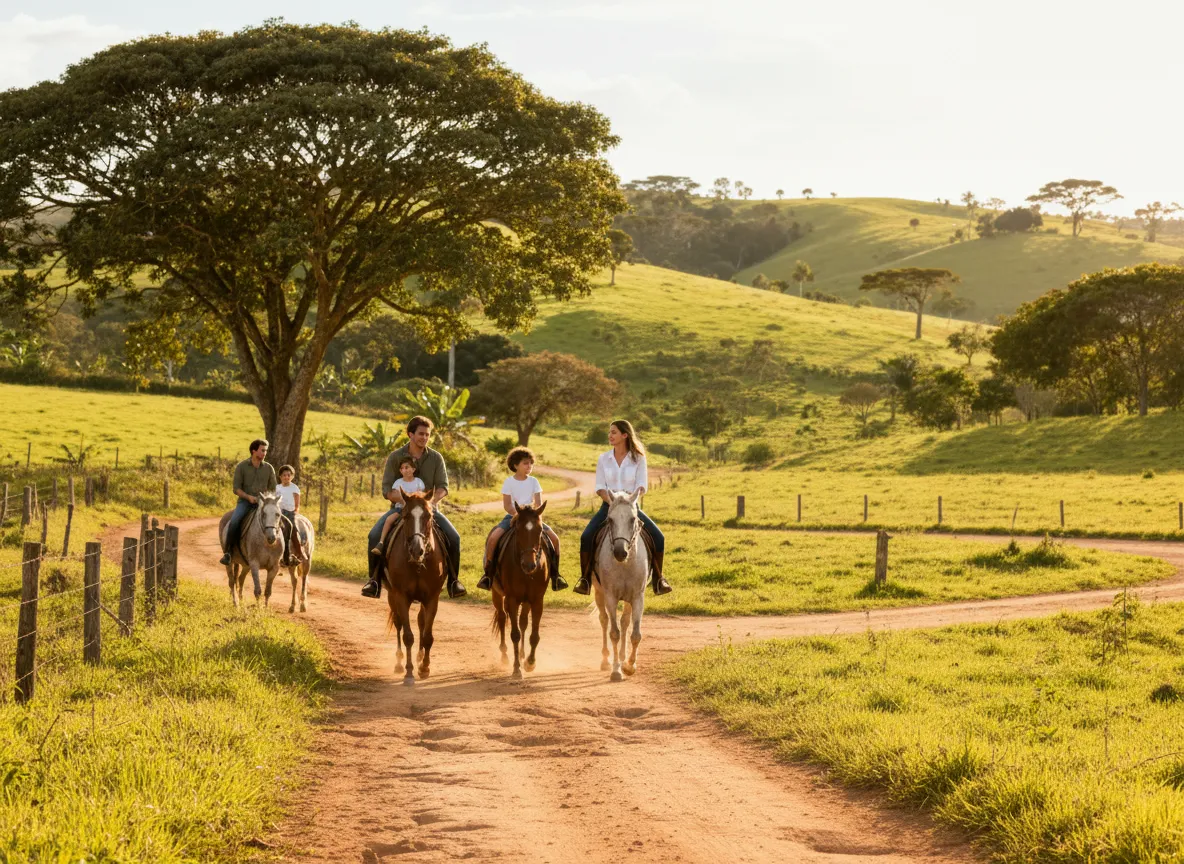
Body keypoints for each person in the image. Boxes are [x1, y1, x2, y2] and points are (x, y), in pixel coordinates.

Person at [361, 416, 467, 600]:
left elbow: (443, 487)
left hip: (429, 510)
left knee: (454, 538)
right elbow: (387, 490)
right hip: (401, 509)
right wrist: (407, 501)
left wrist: (429, 503)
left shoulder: (436, 458)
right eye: (420, 434)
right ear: (410, 434)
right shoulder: (395, 457)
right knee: (373, 536)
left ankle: (453, 582)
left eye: (427, 435)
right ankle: (374, 581)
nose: (424, 438)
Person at [574, 420, 672, 596]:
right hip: (609, 507)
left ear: (625, 435)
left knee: (659, 537)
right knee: (586, 536)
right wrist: (613, 503)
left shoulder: (639, 459)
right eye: (610, 432)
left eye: (614, 432)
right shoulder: (604, 458)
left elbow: (642, 486)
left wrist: (628, 500)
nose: (610, 435)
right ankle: (585, 579)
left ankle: (658, 579)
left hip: (630, 507)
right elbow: (600, 487)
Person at [476, 446, 568, 592]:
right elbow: (507, 505)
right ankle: (488, 575)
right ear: (515, 465)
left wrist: (533, 518)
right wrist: (519, 517)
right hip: (513, 517)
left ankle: (556, 576)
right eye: (525, 463)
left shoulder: (534, 481)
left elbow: (538, 504)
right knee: (493, 538)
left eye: (531, 463)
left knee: (555, 539)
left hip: (533, 518)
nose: (529, 466)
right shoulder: (509, 482)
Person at [220, 439, 277, 566]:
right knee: (234, 522)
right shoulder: (242, 466)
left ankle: (283, 554)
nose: (264, 453)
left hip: (264, 503)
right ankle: (228, 553)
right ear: (254, 451)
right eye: (262, 450)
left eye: (266, 451)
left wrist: (266, 499)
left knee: (278, 521)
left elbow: (273, 489)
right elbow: (236, 489)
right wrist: (249, 497)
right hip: (245, 502)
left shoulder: (269, 468)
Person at [370, 455, 425, 556]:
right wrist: (405, 504)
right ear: (400, 471)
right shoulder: (398, 483)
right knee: (389, 520)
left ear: (413, 469)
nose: (404, 470)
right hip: (401, 509)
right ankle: (381, 543)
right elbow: (397, 495)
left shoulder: (418, 482)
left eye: (407, 467)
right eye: (402, 468)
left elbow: (420, 495)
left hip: (415, 510)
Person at [275, 464, 309, 566]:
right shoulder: (277, 487)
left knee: (292, 529)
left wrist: (295, 511)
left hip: (290, 512)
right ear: (280, 477)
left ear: (292, 476)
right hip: (279, 512)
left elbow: (297, 503)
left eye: (288, 475)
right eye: (284, 475)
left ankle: (299, 552)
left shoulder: (294, 488)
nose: (286, 477)